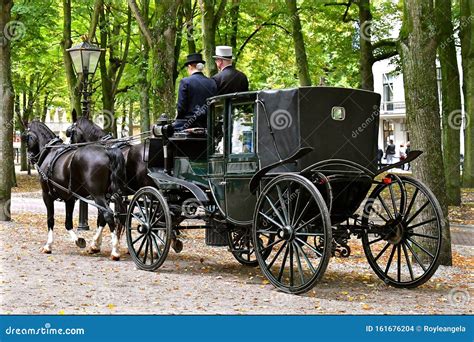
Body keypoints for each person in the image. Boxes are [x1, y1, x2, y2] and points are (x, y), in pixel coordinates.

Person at [175, 53, 217, 131]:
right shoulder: (212, 82)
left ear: (190, 66)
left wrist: (178, 121)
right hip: (208, 124)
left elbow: (181, 108)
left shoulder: (185, 82)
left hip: (188, 124)